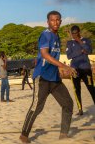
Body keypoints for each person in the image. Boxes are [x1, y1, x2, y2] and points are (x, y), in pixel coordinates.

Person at [20, 11, 77, 143]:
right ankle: (24, 135)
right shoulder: (45, 35)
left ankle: (63, 135)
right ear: (48, 22)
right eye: (52, 20)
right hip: (42, 77)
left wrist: (60, 70)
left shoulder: (56, 37)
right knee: (37, 107)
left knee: (68, 103)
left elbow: (53, 58)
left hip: (55, 79)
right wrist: (65, 66)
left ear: (61, 21)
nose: (55, 22)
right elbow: (45, 55)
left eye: (58, 20)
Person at [66, 25, 95, 116]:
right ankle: (80, 109)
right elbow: (69, 56)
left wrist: (80, 42)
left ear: (79, 32)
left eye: (75, 33)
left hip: (86, 69)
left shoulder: (86, 40)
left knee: (92, 89)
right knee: (76, 89)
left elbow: (89, 50)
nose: (73, 35)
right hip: (74, 69)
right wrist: (81, 51)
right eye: (72, 33)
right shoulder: (69, 43)